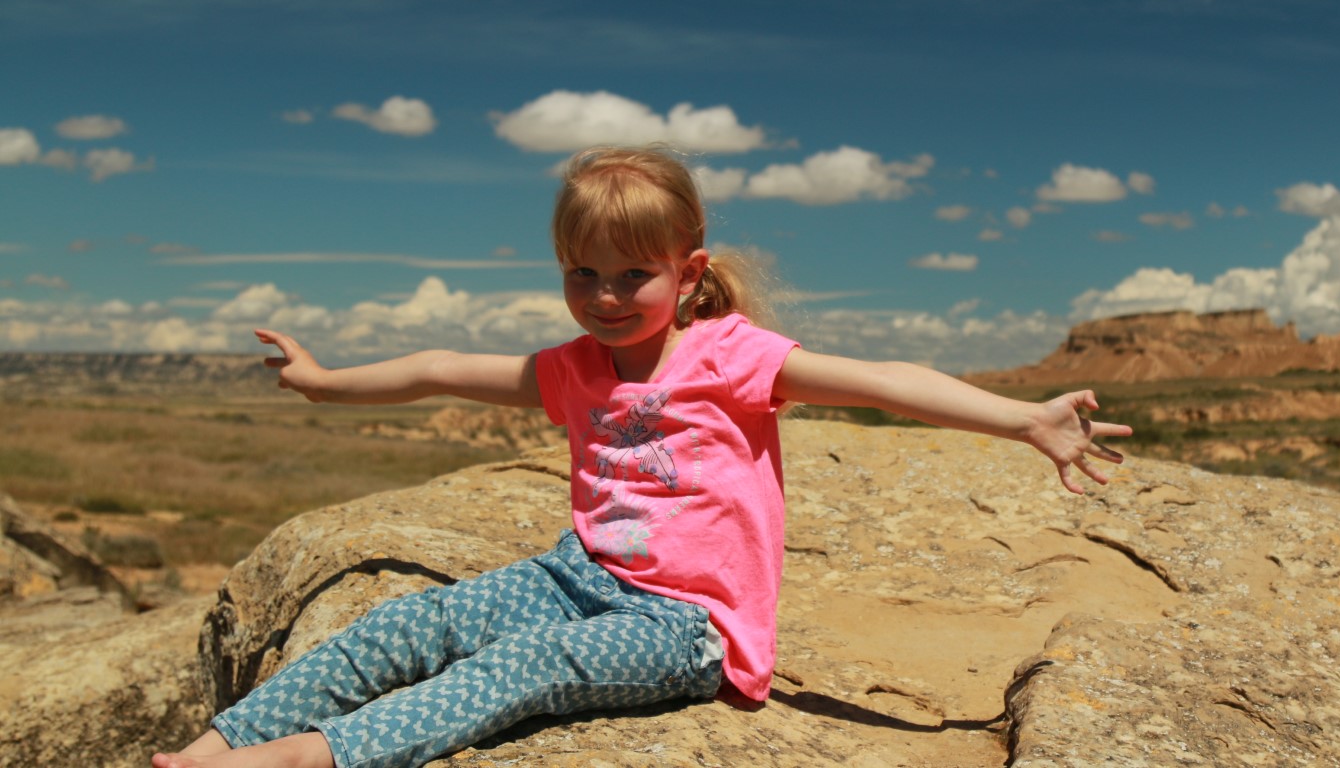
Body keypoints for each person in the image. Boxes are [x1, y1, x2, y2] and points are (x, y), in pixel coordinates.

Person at [154, 145, 1130, 768]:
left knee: (528, 666)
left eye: (633, 274)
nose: (607, 294)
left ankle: (313, 757)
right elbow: (444, 367)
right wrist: (327, 382)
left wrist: (1022, 421)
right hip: (577, 573)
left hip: (690, 627)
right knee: (413, 621)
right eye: (584, 273)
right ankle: (220, 739)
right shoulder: (576, 367)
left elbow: (884, 380)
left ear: (687, 269)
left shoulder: (732, 356)